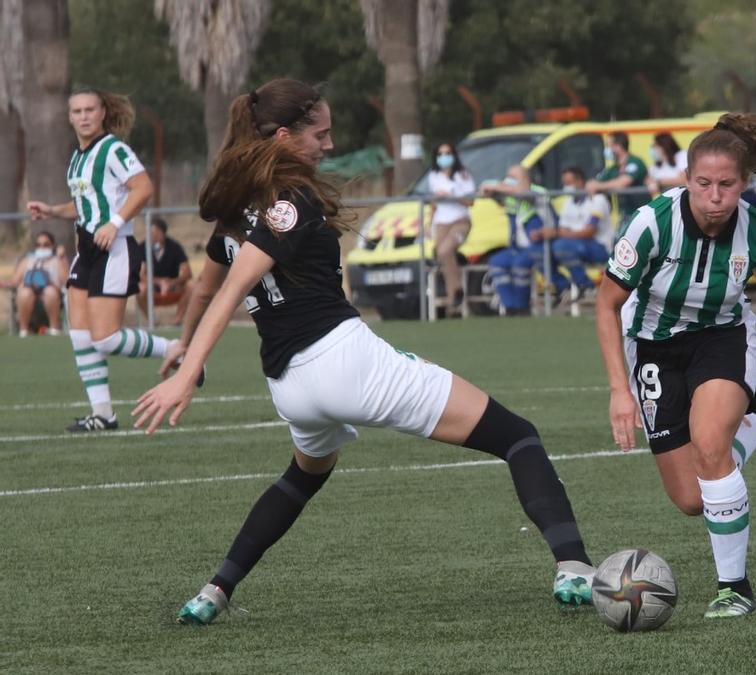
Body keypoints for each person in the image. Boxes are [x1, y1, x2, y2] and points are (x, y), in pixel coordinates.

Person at [129, 79, 594, 625]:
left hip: (289, 387)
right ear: (283, 136)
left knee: (303, 476)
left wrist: (186, 345)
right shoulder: (290, 203)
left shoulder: (236, 210)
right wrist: (186, 373)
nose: (328, 145)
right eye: (320, 134)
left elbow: (206, 286)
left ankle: (214, 591)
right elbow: (230, 290)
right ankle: (576, 569)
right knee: (517, 436)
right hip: (342, 362)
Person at [595, 103, 756, 619]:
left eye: (728, 186)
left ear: (744, 184)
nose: (715, 197)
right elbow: (606, 305)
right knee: (693, 500)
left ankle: (734, 587)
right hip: (652, 346)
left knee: (712, 449)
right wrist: (619, 390)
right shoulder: (650, 224)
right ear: (687, 180)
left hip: (722, 338)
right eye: (704, 184)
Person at [26, 88, 175, 432]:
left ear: (103, 112)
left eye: (89, 109)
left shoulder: (113, 149)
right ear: (69, 117)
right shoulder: (78, 157)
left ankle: (178, 349)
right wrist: (51, 210)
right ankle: (103, 414)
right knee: (80, 335)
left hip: (115, 248)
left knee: (105, 338)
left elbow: (143, 188)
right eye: (76, 111)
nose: (83, 116)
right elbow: (84, 205)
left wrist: (116, 222)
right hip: (87, 251)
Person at [482, 165, 569, 314]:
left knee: (520, 263)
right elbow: (484, 189)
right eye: (508, 177)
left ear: (525, 178)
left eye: (514, 178)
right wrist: (492, 191)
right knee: (497, 262)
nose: (509, 181)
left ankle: (522, 306)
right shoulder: (510, 195)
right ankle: (510, 306)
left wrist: (499, 188)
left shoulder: (537, 191)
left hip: (540, 244)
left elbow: (524, 193)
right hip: (518, 246)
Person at [550, 166, 612, 298]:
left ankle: (586, 286)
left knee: (561, 246)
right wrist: (572, 234)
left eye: (569, 183)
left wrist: (568, 235)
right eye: (565, 184)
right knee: (545, 251)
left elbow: (590, 232)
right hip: (577, 245)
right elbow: (562, 230)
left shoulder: (597, 200)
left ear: (580, 182)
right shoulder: (569, 203)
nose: (566, 187)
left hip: (599, 246)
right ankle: (563, 287)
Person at [428, 142, 475, 314]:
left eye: (447, 153)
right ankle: (452, 304)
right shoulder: (434, 175)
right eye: (440, 154)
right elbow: (433, 203)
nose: (444, 157)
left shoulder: (463, 175)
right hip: (441, 222)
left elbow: (470, 201)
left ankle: (456, 291)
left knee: (445, 251)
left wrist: (452, 195)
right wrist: (428, 223)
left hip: (459, 221)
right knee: (440, 254)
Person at [1, 231, 68, 336]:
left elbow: (66, 281)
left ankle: (55, 328)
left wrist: (62, 258)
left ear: (52, 245)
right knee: (24, 292)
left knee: (50, 291)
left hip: (52, 291)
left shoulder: (57, 260)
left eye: (46, 244)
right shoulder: (28, 260)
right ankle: (24, 330)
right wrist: (4, 284)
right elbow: (15, 281)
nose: (42, 247)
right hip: (29, 290)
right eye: (38, 245)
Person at [137, 217, 194, 325]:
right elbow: (140, 274)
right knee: (140, 288)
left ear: (163, 233)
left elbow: (187, 272)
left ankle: (177, 320)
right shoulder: (142, 247)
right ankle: (153, 321)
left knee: (191, 285)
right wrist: (159, 282)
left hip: (173, 287)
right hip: (152, 287)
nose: (153, 237)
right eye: (150, 233)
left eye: (156, 233)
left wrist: (171, 282)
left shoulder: (175, 247)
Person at [586, 131, 649, 223]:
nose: (607, 150)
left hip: (641, 216)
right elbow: (595, 182)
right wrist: (592, 184)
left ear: (618, 146)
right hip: (624, 216)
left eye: (609, 146)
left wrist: (599, 186)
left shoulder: (635, 163)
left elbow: (622, 183)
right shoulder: (613, 168)